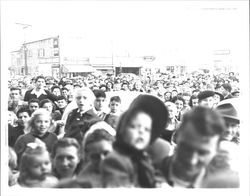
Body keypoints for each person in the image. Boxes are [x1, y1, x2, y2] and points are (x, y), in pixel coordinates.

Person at [100, 94, 169, 188]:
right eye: (134, 126)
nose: (141, 132)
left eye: (146, 129)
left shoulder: (150, 154)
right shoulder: (114, 157)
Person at [160, 106, 226, 188]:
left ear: (216, 150)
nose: (192, 161)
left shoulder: (222, 185)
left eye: (202, 153)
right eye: (187, 149)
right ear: (175, 139)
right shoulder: (149, 172)